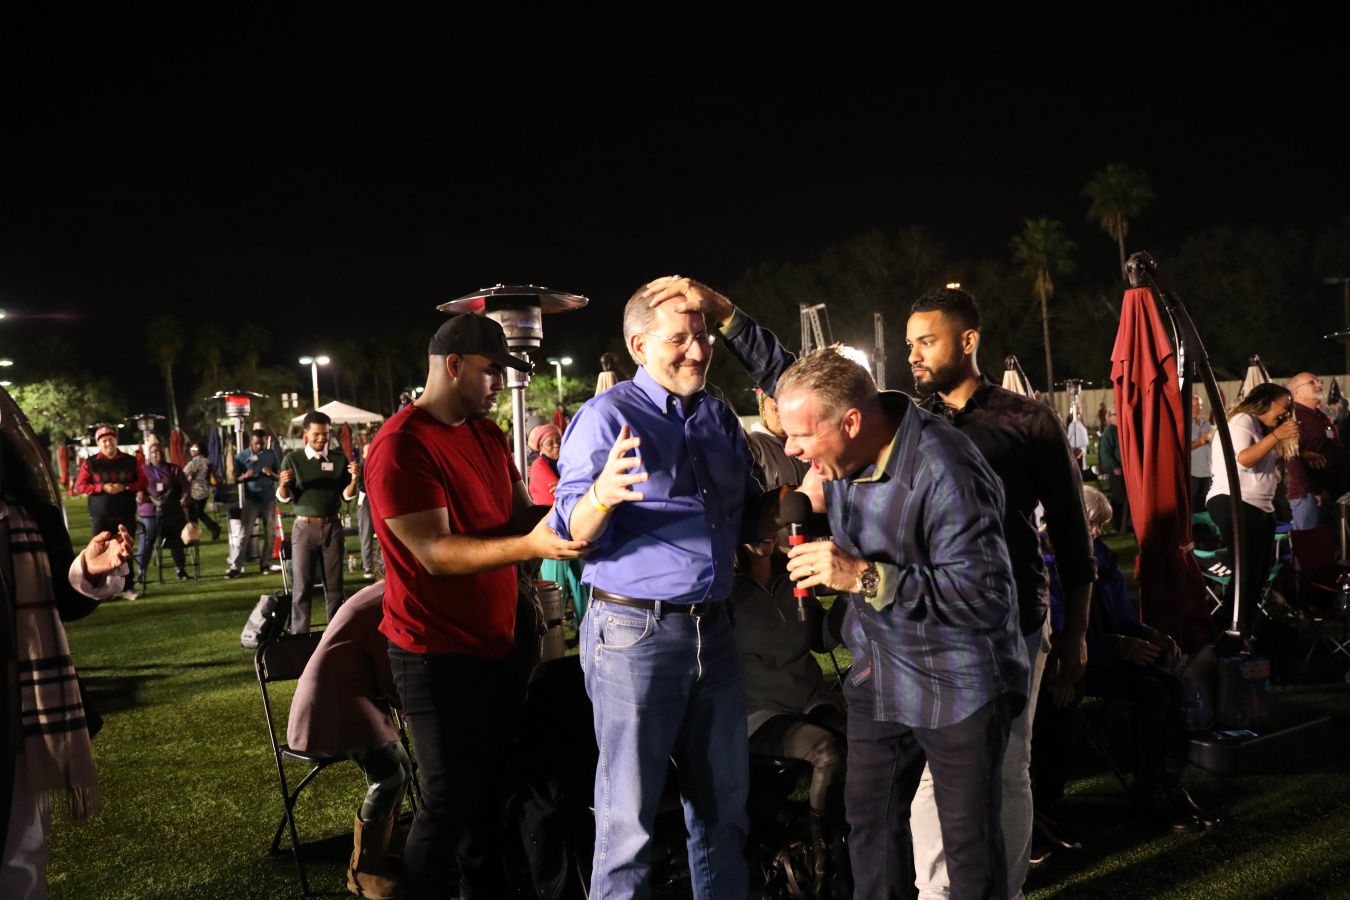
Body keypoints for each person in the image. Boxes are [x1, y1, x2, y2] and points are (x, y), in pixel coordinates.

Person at [645, 277, 1027, 900]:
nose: (792, 452)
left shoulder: (945, 471)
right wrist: (728, 315)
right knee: (869, 826)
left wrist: (862, 576)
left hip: (958, 679)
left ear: (851, 422)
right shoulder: (842, 425)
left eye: (802, 438)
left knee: (968, 850)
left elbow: (982, 598)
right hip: (881, 674)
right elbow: (789, 376)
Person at [547, 282, 778, 900]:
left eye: (702, 336)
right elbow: (569, 532)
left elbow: (745, 516)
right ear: (638, 345)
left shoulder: (717, 415)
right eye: (679, 338)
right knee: (629, 822)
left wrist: (791, 503)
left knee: (723, 812)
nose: (697, 351)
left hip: (714, 630)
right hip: (634, 636)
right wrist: (602, 497)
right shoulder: (606, 417)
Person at [363, 314, 588, 900]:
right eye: (491, 370)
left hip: (500, 639)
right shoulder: (401, 444)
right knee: (448, 799)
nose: (498, 384)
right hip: (434, 650)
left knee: (493, 789)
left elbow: (519, 516)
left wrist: (586, 508)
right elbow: (434, 553)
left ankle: (485, 888)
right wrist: (533, 545)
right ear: (454, 364)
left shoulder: (486, 434)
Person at [902, 288, 1094, 900]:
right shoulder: (909, 423)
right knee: (932, 769)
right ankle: (936, 894)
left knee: (1010, 765)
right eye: (910, 344)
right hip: (933, 620)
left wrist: (1076, 633)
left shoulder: (1027, 420)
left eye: (926, 341)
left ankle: (1005, 891)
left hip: (1015, 620)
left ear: (968, 340)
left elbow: (1073, 537)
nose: (914, 355)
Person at [1, 425, 134, 900]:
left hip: (22, 705)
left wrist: (91, 569)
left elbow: (63, 598)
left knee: (21, 853)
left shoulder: (26, 512)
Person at [1034, 486, 1213, 837]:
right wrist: (1117, 646)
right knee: (1142, 691)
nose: (1097, 532)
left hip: (1100, 654)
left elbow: (1121, 617)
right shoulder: (1041, 560)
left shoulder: (1099, 554)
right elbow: (1055, 635)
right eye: (1093, 523)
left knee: (1168, 684)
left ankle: (1162, 786)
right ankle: (1050, 803)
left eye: (1100, 525)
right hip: (1060, 663)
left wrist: (1150, 634)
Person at [730, 536, 850, 900]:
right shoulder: (722, 587)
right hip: (758, 711)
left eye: (771, 524)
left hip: (810, 697)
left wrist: (848, 596)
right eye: (756, 525)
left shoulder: (793, 573)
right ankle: (826, 872)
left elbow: (822, 639)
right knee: (829, 751)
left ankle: (859, 849)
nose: (765, 534)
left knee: (866, 739)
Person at [287, 579, 410, 899]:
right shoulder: (390, 599)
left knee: (402, 768)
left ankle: (377, 855)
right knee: (389, 775)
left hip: (351, 697)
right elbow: (392, 670)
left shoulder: (386, 591)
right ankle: (364, 869)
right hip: (333, 703)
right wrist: (415, 711)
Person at [1205, 382, 1298, 627]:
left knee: (1260, 571)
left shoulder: (1259, 427)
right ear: (1267, 402)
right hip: (1235, 502)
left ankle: (1244, 626)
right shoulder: (1242, 420)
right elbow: (1243, 460)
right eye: (1285, 405)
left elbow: (1259, 459)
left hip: (1258, 506)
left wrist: (1294, 454)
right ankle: (1227, 628)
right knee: (1245, 572)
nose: (1287, 412)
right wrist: (1276, 436)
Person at [278, 412, 358, 633]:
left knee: (335, 588)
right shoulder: (292, 460)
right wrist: (283, 485)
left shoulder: (339, 459)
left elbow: (347, 496)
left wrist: (353, 480)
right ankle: (299, 637)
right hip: (304, 528)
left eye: (326, 434)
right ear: (306, 433)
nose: (322, 438)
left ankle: (335, 636)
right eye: (317, 434)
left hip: (333, 527)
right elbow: (285, 497)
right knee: (302, 588)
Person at [74, 426, 145, 599]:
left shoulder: (131, 461)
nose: (108, 443)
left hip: (125, 514)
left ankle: (128, 588)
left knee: (125, 552)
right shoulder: (90, 463)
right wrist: (102, 487)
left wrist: (125, 487)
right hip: (100, 516)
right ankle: (105, 591)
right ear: (98, 443)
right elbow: (80, 486)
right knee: (101, 554)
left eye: (111, 439)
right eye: (104, 440)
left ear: (116, 441)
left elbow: (143, 483)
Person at [1285, 373, 1345, 530]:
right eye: (1312, 382)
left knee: (1330, 543)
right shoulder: (1293, 416)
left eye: (1319, 381)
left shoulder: (1320, 416)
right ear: (1297, 392)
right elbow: (1291, 458)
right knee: (1310, 542)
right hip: (1309, 497)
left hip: (1331, 494)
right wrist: (1315, 490)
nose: (1319, 384)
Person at [226, 430, 281, 579]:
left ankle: (265, 564)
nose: (259, 447)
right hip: (251, 499)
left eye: (261, 444)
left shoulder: (271, 454)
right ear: (251, 441)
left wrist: (270, 473)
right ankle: (236, 567)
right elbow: (235, 479)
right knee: (244, 533)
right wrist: (245, 476)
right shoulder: (242, 456)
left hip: (269, 499)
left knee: (270, 533)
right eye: (257, 444)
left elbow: (279, 476)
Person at [135, 441, 193, 581]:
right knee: (147, 538)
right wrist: (139, 493)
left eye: (160, 451)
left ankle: (180, 569)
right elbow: (136, 486)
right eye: (154, 451)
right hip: (150, 511)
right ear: (149, 455)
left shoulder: (174, 469)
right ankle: (141, 572)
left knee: (176, 535)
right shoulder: (143, 470)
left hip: (170, 511)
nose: (158, 454)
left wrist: (185, 497)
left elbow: (186, 486)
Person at [747, 388, 810, 490]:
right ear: (764, 414)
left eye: (785, 409)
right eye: (775, 410)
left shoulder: (805, 441)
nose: (781, 414)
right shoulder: (753, 444)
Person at [1098, 408, 1130, 534]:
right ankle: (1116, 525)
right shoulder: (1109, 432)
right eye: (1115, 414)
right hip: (1117, 470)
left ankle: (1126, 524)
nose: (1118, 416)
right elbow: (1105, 453)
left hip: (1127, 470)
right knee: (1118, 498)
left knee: (1127, 498)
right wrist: (1115, 466)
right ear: (1109, 418)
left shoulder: (1123, 429)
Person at [181, 443, 221, 541]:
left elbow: (183, 474)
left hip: (195, 492)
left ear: (200, 450)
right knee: (199, 513)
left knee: (193, 515)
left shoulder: (196, 462)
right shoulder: (208, 461)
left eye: (195, 448)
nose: (192, 450)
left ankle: (193, 536)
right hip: (206, 492)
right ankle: (213, 527)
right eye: (191, 448)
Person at [1189, 397, 1215, 511]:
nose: (1196, 408)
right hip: (1193, 472)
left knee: (1206, 504)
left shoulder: (1206, 423)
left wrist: (1210, 438)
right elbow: (1185, 447)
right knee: (1192, 504)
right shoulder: (1185, 424)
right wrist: (1203, 441)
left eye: (1198, 405)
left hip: (1207, 472)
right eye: (1193, 405)